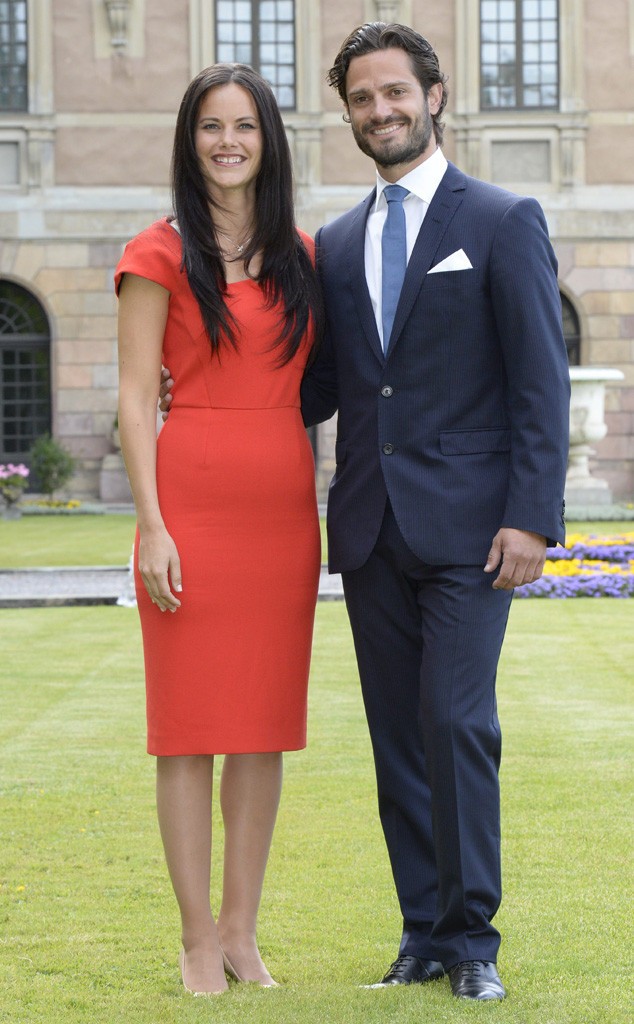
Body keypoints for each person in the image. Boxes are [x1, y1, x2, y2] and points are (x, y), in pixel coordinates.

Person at [161, 22, 570, 1001]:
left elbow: (538, 381)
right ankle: (421, 932)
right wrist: (207, 395)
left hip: (475, 529)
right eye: (361, 98)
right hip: (371, 528)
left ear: (433, 96)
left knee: (454, 719)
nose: (380, 111)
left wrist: (532, 517)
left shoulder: (501, 220)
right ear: (344, 114)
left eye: (396, 93)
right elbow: (324, 382)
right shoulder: (334, 245)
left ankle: (473, 941)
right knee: (397, 732)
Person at [115, 63, 322, 996]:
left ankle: (243, 932)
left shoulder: (304, 258)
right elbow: (130, 398)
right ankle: (196, 937)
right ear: (189, 140)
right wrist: (152, 526)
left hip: (283, 510)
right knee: (188, 730)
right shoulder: (154, 254)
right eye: (210, 126)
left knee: (262, 730)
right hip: (188, 504)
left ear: (269, 139)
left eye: (245, 125)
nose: (228, 141)